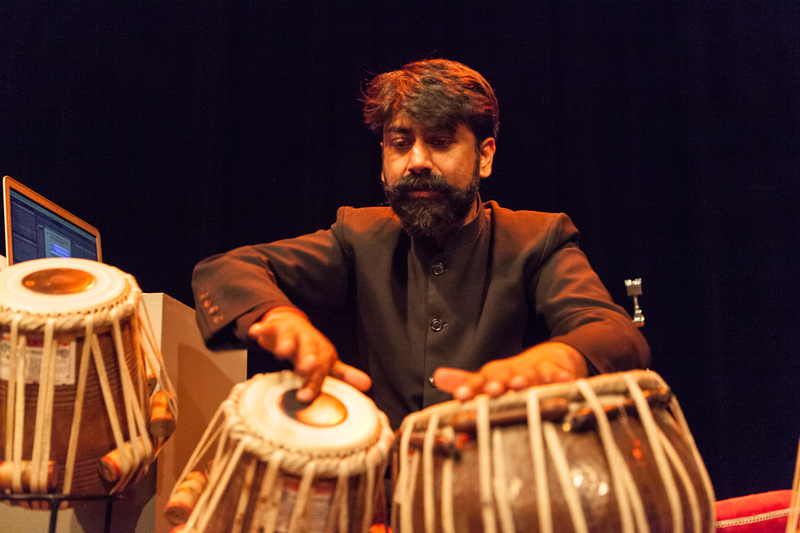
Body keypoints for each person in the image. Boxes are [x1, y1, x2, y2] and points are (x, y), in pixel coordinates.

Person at [192, 59, 650, 430]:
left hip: (505, 491)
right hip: (385, 494)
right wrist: (280, 317)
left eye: (440, 142)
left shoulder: (537, 239)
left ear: (485, 155)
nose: (416, 161)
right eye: (400, 143)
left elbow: (613, 331)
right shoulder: (358, 236)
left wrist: (558, 359)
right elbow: (227, 269)